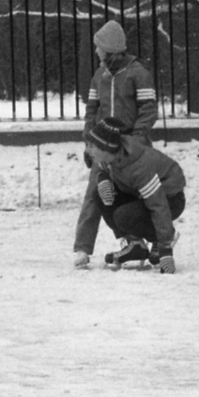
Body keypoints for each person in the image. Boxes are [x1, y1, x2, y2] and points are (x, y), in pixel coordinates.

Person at [72, 20, 157, 268]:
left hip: (132, 148)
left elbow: (148, 111)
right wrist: (90, 143)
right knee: (95, 195)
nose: (96, 52)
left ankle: (156, 241)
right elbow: (91, 112)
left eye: (99, 47)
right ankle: (82, 248)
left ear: (109, 50)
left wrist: (136, 141)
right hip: (103, 148)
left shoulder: (138, 74)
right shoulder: (99, 76)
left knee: (139, 196)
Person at [84, 117, 185, 273]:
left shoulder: (140, 167)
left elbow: (158, 205)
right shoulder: (111, 155)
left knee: (123, 216)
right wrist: (103, 179)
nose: (87, 151)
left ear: (105, 148)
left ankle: (164, 239)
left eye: (91, 146)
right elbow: (104, 167)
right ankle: (136, 245)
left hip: (170, 199)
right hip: (141, 196)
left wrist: (165, 249)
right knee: (100, 195)